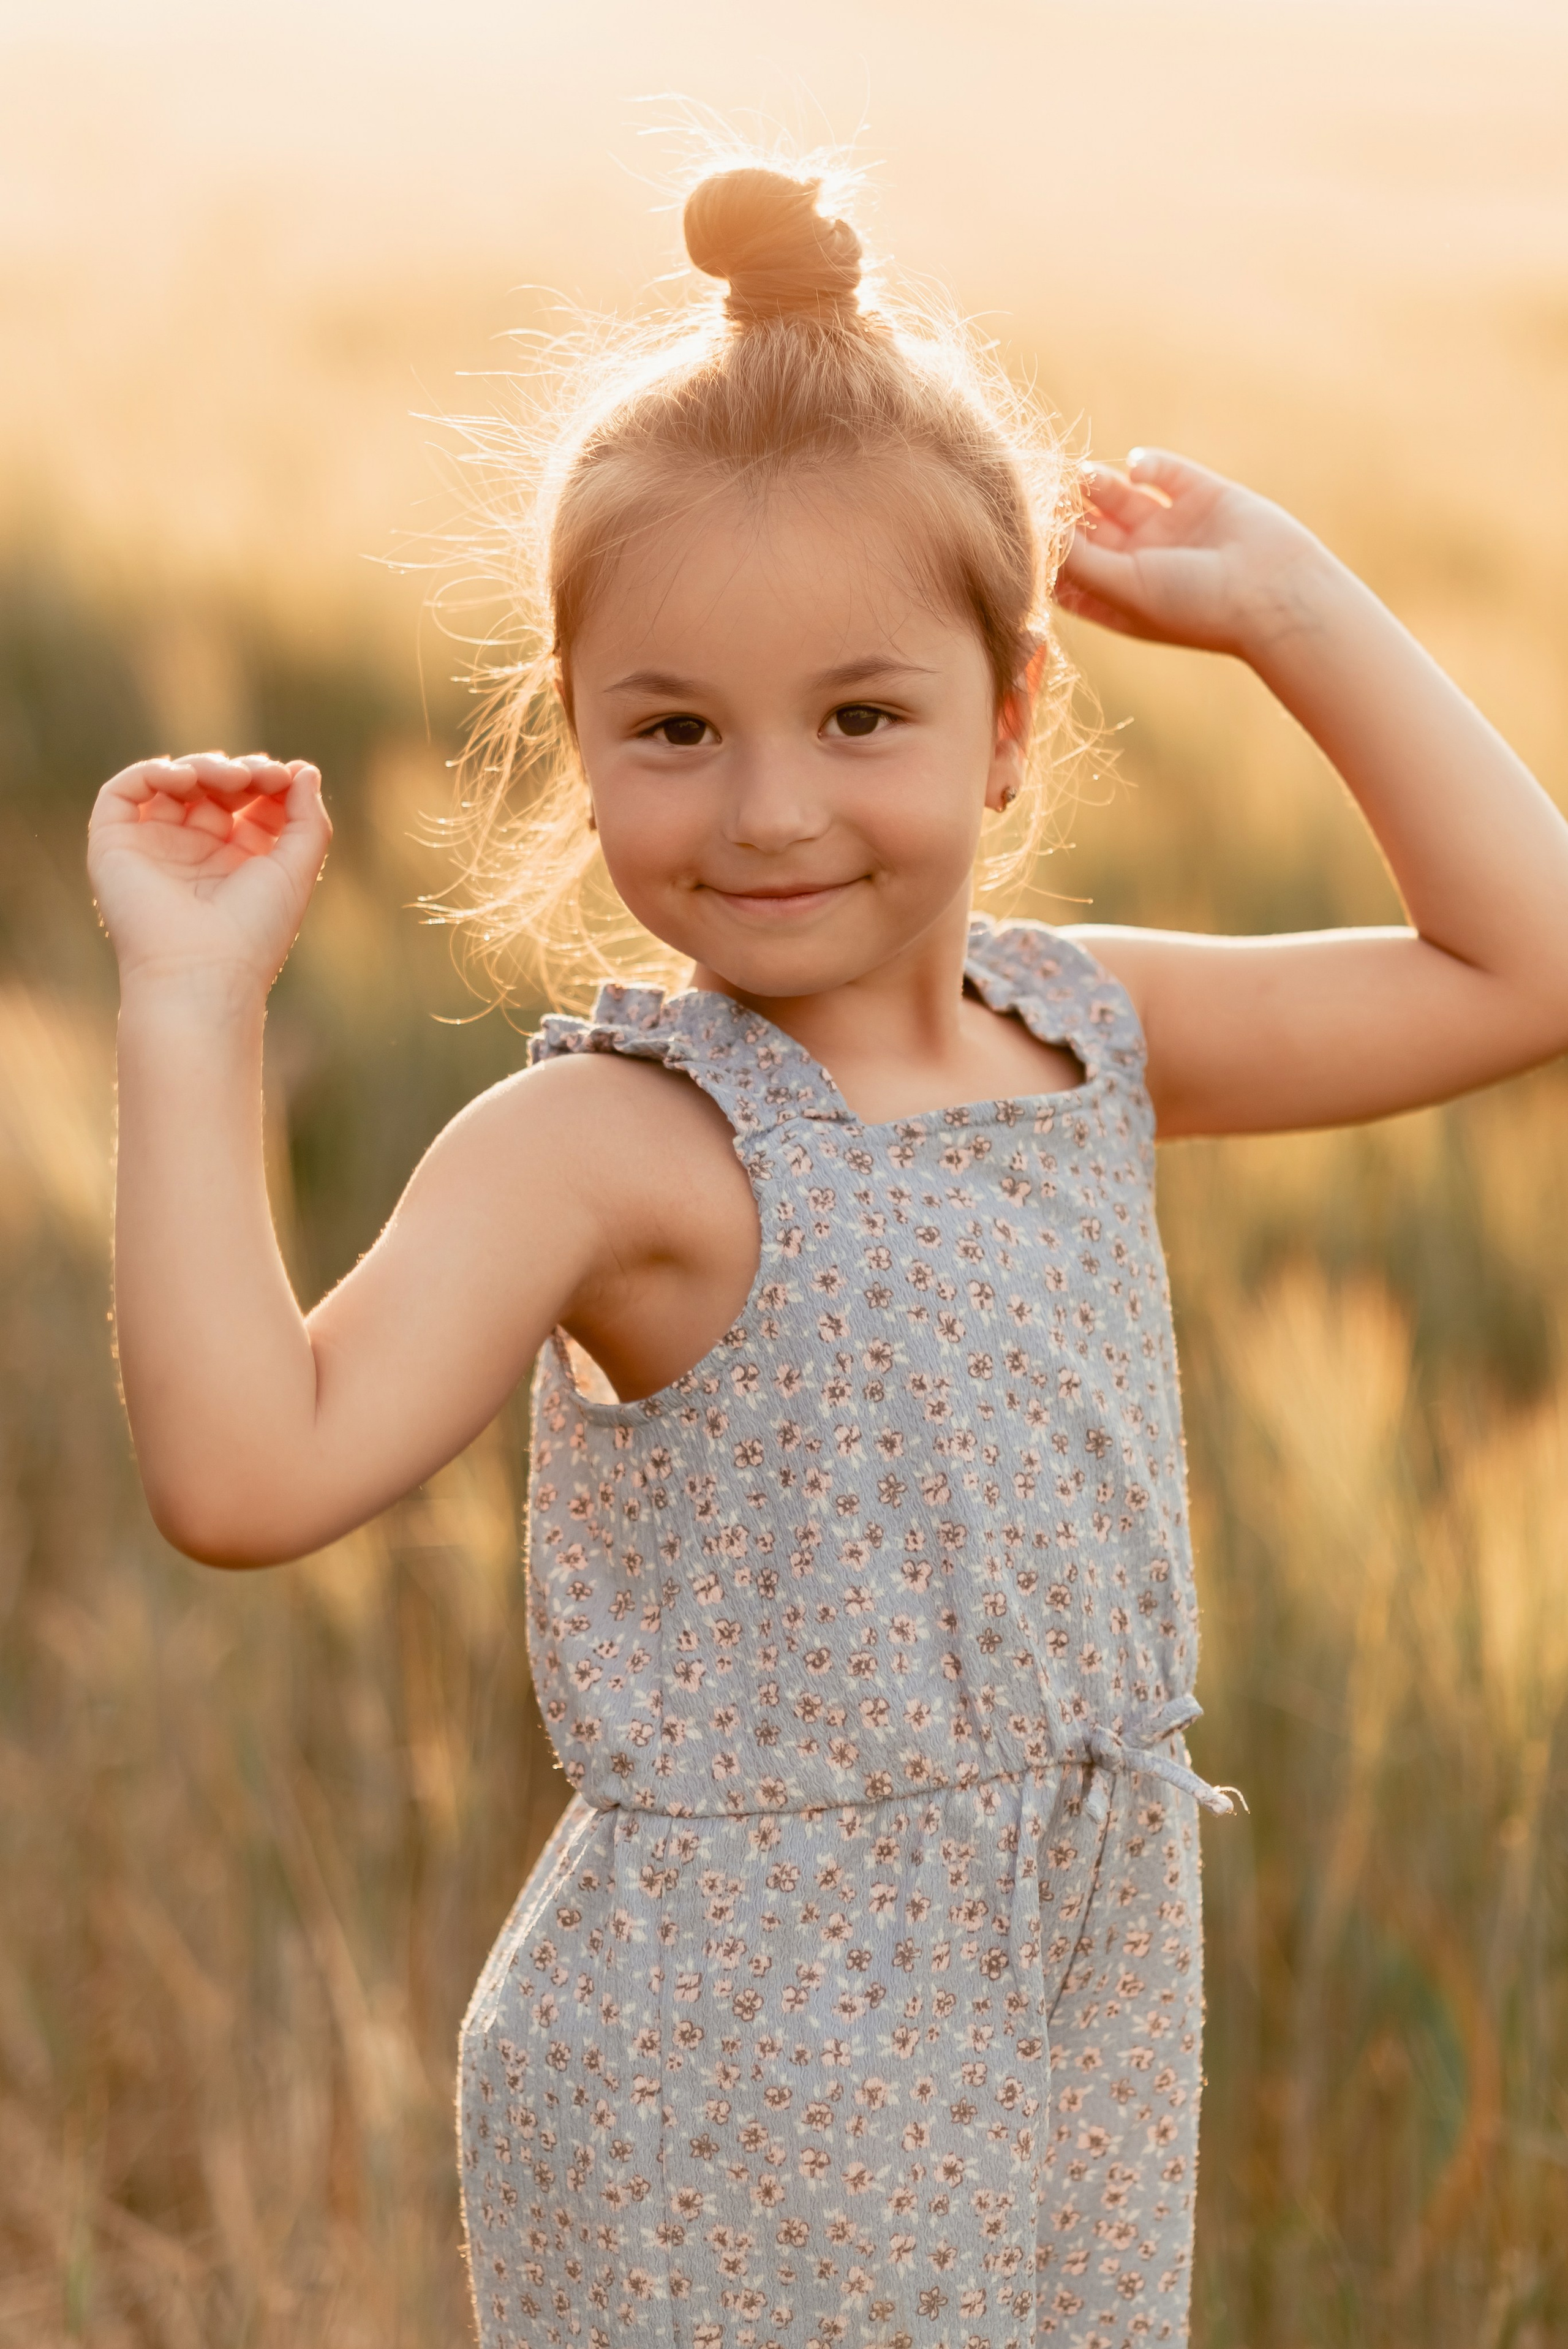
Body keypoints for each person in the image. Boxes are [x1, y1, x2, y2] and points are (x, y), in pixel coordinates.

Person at [88, 162, 1568, 2349]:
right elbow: (245, 1473)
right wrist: (191, 1006)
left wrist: (1292, 607)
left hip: (1067, 2017)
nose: (768, 806)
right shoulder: (621, 1143)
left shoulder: (1090, 1028)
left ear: (1011, 723)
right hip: (732, 2087)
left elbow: (1523, 965)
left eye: (861, 716)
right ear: (574, 737)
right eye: (675, 727)